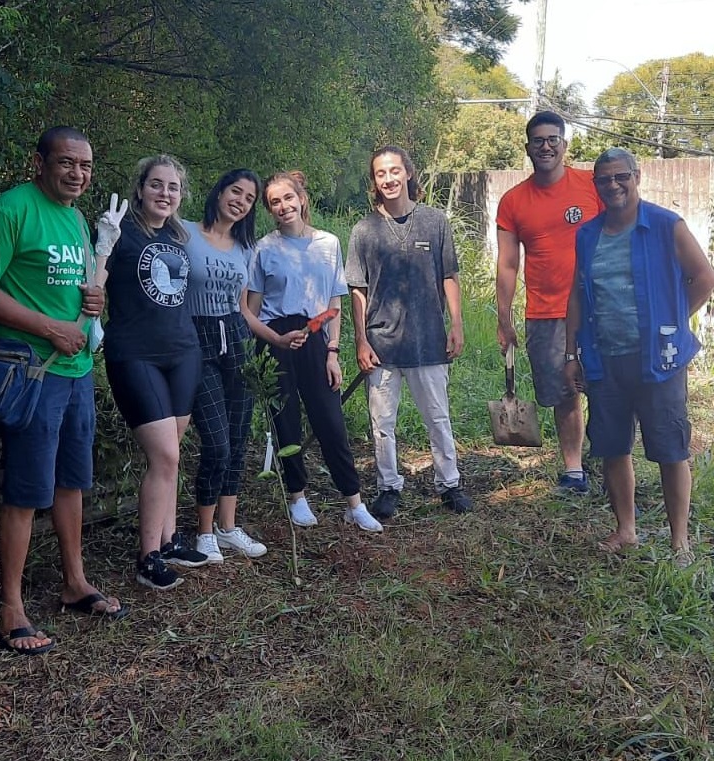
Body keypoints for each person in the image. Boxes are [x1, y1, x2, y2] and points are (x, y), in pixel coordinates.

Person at [0, 126, 128, 655]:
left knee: (72, 481)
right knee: (26, 489)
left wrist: (90, 301)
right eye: (67, 163)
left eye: (86, 166)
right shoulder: (11, 209)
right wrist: (50, 328)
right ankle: (10, 608)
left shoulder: (75, 219)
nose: (77, 174)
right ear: (41, 163)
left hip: (74, 372)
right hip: (31, 368)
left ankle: (74, 582)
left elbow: (75, 289)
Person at [564, 147, 714, 567]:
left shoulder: (667, 226)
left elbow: (704, 277)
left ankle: (679, 541)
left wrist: (671, 318)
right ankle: (626, 529)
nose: (613, 185)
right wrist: (570, 351)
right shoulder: (588, 235)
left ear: (636, 177)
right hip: (604, 358)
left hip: (659, 360)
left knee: (670, 447)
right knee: (613, 445)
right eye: (604, 179)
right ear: (595, 186)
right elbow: (577, 293)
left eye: (620, 177)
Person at [248, 170, 382, 533]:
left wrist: (332, 351)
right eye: (274, 202)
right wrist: (267, 345)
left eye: (288, 198)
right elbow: (254, 308)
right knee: (285, 419)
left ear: (302, 199)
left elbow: (333, 301)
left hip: (315, 337)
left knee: (330, 421)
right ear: (269, 209)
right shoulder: (264, 248)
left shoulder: (328, 243)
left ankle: (354, 501)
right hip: (276, 339)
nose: (283, 207)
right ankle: (296, 495)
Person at [345, 145, 471, 519]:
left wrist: (457, 324)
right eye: (381, 173)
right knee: (382, 423)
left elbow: (449, 275)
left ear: (409, 173)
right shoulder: (364, 230)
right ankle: (388, 486)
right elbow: (357, 288)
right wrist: (361, 339)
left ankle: (449, 483)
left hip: (429, 339)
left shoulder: (435, 221)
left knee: (438, 417)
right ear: (374, 181)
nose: (389, 179)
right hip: (381, 343)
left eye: (395, 171)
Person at [103, 155, 208, 590]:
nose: (165, 194)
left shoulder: (179, 235)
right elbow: (92, 288)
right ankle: (147, 557)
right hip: (135, 355)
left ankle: (167, 539)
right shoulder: (120, 230)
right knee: (164, 455)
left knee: (173, 453)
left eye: (173, 188)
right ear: (140, 188)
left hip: (182, 352)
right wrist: (102, 246)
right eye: (156, 185)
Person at [496, 111, 603, 493]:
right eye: (538, 140)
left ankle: (606, 459)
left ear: (564, 144)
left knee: (607, 388)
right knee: (564, 393)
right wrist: (504, 317)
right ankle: (573, 470)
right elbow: (508, 263)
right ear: (527, 148)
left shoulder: (592, 185)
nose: (545, 146)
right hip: (545, 313)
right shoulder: (513, 201)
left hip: (597, 310)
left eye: (552, 139)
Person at [184, 169, 270, 563]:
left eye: (249, 198)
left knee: (237, 439)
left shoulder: (245, 248)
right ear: (219, 192)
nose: (241, 200)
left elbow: (242, 310)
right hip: (196, 344)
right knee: (216, 442)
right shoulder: (183, 233)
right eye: (236, 191)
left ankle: (228, 527)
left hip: (236, 342)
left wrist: (275, 337)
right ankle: (204, 532)